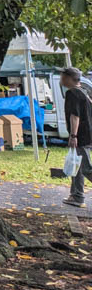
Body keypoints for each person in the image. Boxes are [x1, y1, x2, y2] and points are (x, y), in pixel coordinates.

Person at [61, 67, 92, 208]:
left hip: (81, 135)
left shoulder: (72, 93)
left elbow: (75, 115)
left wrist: (73, 136)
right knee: (77, 165)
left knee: (86, 168)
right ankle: (77, 196)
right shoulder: (84, 92)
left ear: (69, 78)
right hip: (87, 133)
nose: (61, 79)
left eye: (62, 76)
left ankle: (77, 196)